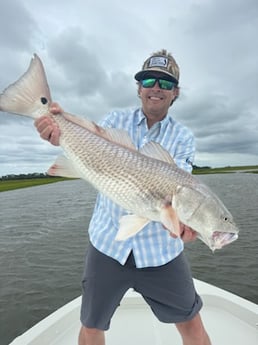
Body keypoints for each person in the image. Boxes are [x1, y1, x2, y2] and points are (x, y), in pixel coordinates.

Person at [35, 49, 211, 345]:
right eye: (149, 80)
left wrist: (190, 222)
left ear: (175, 93)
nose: (156, 87)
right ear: (139, 88)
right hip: (107, 246)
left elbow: (179, 193)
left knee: (191, 322)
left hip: (161, 253)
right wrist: (56, 128)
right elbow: (89, 143)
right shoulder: (116, 119)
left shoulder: (183, 138)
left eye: (165, 83)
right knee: (91, 325)